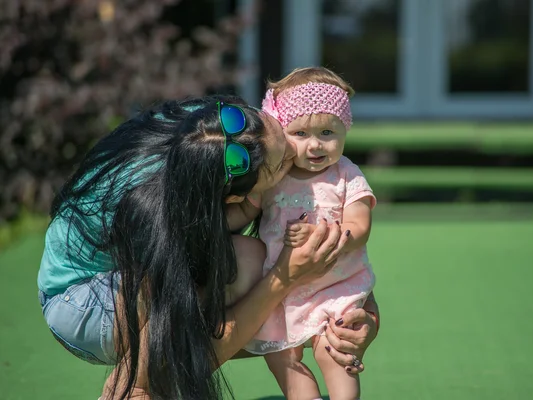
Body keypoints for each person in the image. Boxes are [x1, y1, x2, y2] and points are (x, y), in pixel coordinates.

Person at [36, 95, 379, 400]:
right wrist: (284, 277)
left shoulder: (216, 125)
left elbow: (342, 269)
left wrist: (362, 319)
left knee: (277, 298)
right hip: (83, 302)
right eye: (284, 165)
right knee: (247, 266)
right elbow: (182, 323)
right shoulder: (155, 206)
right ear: (236, 197)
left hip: (146, 278)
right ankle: (135, 387)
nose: (301, 153)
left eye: (283, 130)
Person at [226, 67, 377, 399]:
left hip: (335, 286)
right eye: (300, 134)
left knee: (333, 351)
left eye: (327, 132)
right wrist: (218, 218)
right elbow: (244, 211)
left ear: (345, 129)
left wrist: (328, 235)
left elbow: (361, 224)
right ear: (281, 134)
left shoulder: (345, 174)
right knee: (281, 355)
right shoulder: (274, 174)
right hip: (281, 290)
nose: (315, 145)